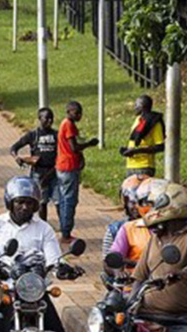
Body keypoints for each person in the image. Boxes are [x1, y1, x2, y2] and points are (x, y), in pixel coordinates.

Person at [0, 176, 69, 332]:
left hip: (34, 289)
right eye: (19, 202)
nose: (24, 206)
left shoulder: (43, 229)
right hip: (5, 288)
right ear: (10, 202)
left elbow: (53, 257)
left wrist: (61, 267)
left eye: (29, 203)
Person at [130, 180, 187, 332]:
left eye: (156, 204)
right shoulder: (156, 238)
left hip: (179, 319)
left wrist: (181, 275)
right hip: (146, 313)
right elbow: (139, 276)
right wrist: (128, 305)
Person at [55, 101, 99, 243]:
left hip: (64, 165)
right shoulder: (68, 125)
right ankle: (66, 232)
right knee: (69, 200)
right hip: (68, 166)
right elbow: (74, 147)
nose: (79, 115)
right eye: (76, 112)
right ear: (69, 112)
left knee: (64, 198)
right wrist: (89, 144)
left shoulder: (66, 124)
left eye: (80, 112)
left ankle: (64, 229)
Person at [10, 107, 58, 222]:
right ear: (40, 119)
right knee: (42, 202)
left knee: (59, 202)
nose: (49, 121)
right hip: (38, 172)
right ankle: (43, 224)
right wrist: (17, 158)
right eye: (46, 118)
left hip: (54, 171)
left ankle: (65, 229)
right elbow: (14, 148)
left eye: (51, 118)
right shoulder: (33, 135)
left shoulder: (57, 135)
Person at [120, 94, 165, 177]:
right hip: (131, 165)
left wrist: (137, 151)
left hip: (144, 166)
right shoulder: (138, 120)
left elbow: (160, 147)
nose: (134, 107)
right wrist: (127, 150)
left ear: (142, 106)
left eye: (136, 105)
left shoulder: (153, 122)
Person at [104, 175, 148, 256]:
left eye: (142, 202)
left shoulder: (158, 229)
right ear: (125, 202)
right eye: (132, 202)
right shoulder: (116, 230)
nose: (137, 206)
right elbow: (108, 264)